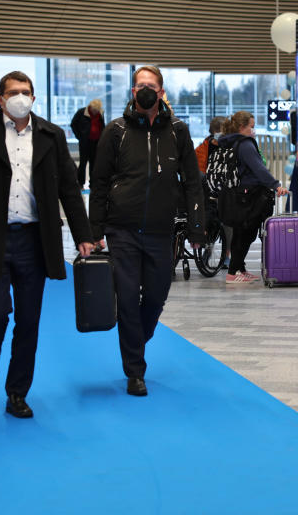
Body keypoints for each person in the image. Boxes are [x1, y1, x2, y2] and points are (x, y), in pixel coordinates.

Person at [0, 70, 95, 419]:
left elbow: (69, 189)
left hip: (35, 241)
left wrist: (83, 234)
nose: (20, 97)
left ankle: (17, 392)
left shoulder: (52, 136)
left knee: (29, 322)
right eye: (14, 92)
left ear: (34, 97)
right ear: (2, 99)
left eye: (26, 91)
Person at [90, 65, 206, 397]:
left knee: (155, 296)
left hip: (160, 229)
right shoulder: (116, 131)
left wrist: (197, 227)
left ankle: (136, 339)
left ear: (161, 92)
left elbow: (192, 183)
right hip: (122, 229)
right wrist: (94, 230)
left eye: (150, 85)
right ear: (132, 92)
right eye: (139, 85)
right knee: (127, 299)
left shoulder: (178, 131)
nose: (144, 90)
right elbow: (98, 184)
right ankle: (135, 371)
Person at [216, 111, 289, 283]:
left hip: (238, 193)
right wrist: (276, 184)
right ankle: (233, 273)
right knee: (246, 234)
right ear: (242, 127)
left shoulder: (231, 142)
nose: (254, 130)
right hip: (250, 195)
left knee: (242, 232)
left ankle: (239, 269)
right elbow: (258, 168)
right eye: (251, 126)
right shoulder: (245, 144)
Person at [69, 99, 105, 188]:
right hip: (85, 142)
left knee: (94, 163)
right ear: (90, 107)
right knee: (83, 163)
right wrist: (79, 136)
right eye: (94, 110)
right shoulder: (81, 112)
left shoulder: (100, 113)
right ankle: (80, 183)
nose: (95, 112)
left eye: (97, 110)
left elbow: (102, 126)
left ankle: (93, 183)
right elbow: (73, 124)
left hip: (96, 142)